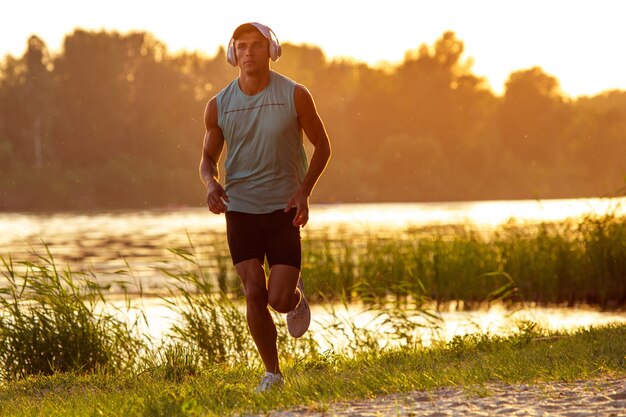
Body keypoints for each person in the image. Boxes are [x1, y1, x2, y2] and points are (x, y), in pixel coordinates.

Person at [199, 22, 331, 392]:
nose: (249, 53)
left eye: (256, 45)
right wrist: (211, 184)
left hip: (283, 210)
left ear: (271, 50)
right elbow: (207, 158)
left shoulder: (295, 95)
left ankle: (294, 298)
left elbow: (323, 147)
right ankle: (272, 373)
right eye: (241, 46)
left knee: (276, 298)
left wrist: (304, 192)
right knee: (254, 290)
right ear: (232, 54)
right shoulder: (219, 104)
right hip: (240, 210)